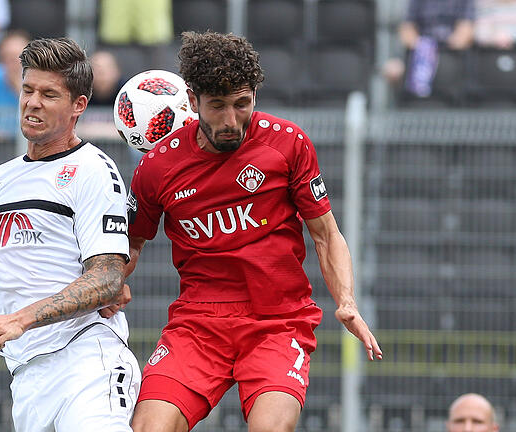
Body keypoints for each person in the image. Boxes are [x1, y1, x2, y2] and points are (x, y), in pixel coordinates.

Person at [112, 31, 383, 431]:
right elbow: (131, 242)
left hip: (278, 321)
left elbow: (326, 234)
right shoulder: (157, 167)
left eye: (242, 104)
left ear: (254, 94)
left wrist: (346, 301)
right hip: (199, 323)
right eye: (217, 106)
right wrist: (114, 280)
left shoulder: (287, 144)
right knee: (149, 427)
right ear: (192, 100)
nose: (229, 121)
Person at [0, 37, 140, 432]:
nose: (33, 102)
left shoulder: (93, 169)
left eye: (49, 94)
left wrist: (23, 319)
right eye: (27, 90)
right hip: (26, 376)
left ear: (78, 105)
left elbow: (109, 277)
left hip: (86, 364)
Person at [382, 0, 475, 95]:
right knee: (392, 68)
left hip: (450, 52)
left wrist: (441, 47)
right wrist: (423, 46)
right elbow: (407, 28)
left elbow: (465, 30)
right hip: (419, 51)